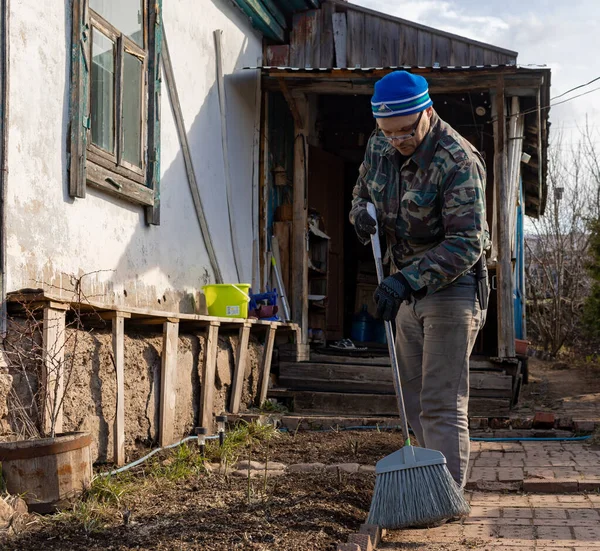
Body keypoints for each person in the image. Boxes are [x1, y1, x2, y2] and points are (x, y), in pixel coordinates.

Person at [350, 70, 489, 490]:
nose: (398, 141)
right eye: (388, 133)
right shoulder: (379, 144)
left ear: (426, 112)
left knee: (440, 401)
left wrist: (407, 280)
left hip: (453, 288)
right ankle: (427, 486)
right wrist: (359, 214)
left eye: (405, 132)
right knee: (412, 398)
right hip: (405, 287)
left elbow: (468, 242)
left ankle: (445, 494)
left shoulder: (457, 159)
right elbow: (362, 193)